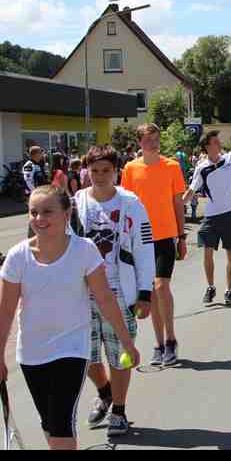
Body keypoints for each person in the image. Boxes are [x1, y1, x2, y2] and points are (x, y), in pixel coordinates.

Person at [0, 186, 140, 450]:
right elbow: (5, 311)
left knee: (60, 422)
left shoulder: (84, 250)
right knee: (49, 422)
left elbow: (105, 299)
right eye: (33, 212)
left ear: (66, 214)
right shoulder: (17, 256)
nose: (39, 218)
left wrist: (127, 342)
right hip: (32, 353)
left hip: (71, 348)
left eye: (47, 211)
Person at [73, 145, 155, 437]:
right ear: (87, 171)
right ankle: (105, 391)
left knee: (120, 353)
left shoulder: (131, 203)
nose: (100, 176)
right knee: (85, 356)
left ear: (116, 171)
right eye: (94, 171)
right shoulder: (76, 202)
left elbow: (145, 249)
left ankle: (119, 410)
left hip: (121, 289)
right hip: (82, 293)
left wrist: (146, 293)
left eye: (106, 170)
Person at [121, 123, 187, 367]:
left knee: (161, 287)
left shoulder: (171, 166)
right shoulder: (130, 169)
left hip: (165, 236)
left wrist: (181, 237)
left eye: (156, 139)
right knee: (148, 294)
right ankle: (159, 344)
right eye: (148, 140)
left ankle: (171, 340)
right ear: (140, 143)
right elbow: (125, 205)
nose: (153, 143)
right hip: (140, 240)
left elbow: (177, 203)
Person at [183, 116, 231, 307]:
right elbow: (192, 190)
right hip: (211, 216)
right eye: (215, 142)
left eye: (218, 141)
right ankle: (210, 286)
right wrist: (179, 205)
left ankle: (229, 291)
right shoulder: (202, 168)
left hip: (230, 214)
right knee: (207, 252)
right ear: (207, 147)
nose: (219, 144)